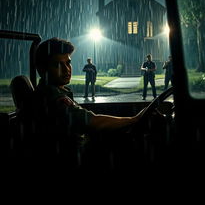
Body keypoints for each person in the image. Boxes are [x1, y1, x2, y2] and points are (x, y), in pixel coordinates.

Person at [32, 37, 145, 170]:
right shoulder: (52, 97)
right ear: (42, 69)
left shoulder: (57, 91)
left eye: (68, 63)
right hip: (72, 158)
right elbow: (91, 122)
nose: (66, 69)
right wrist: (135, 119)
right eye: (58, 65)